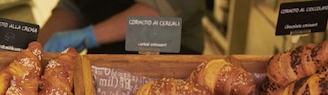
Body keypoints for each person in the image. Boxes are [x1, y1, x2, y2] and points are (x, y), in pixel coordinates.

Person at [40, 0, 205, 55]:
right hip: (104, 66)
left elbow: (158, 12)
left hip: (169, 59)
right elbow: (74, 7)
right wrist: (36, 47)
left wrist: (89, 35)